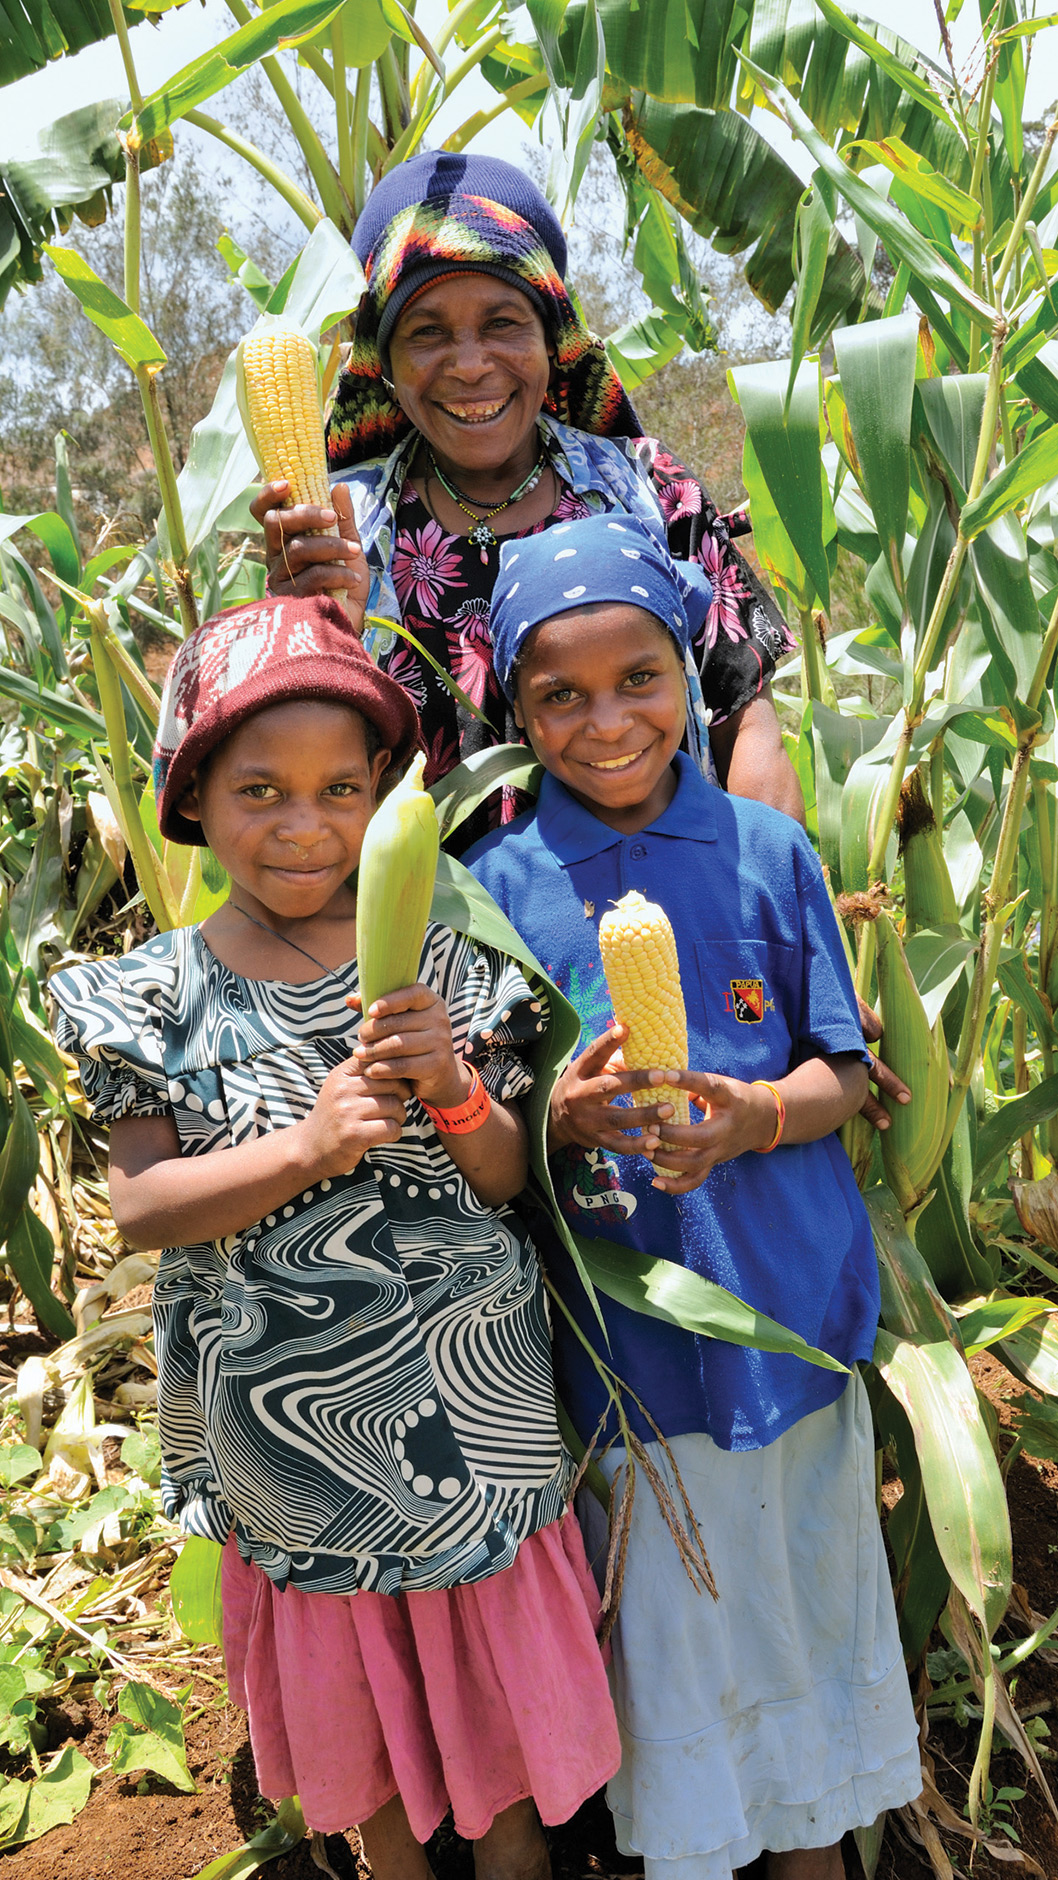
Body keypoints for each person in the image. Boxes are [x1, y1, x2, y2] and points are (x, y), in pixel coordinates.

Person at [49, 594, 621, 1880]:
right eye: (259, 790)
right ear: (191, 796)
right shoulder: (149, 995)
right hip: (291, 1441)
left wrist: (457, 1087)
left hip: (469, 1423)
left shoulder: (446, 967)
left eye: (337, 790)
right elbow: (139, 1206)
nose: (302, 826)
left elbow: (497, 1179)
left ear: (380, 799)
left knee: (507, 1765)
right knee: (358, 1748)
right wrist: (307, 1147)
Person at [464, 516, 922, 1880]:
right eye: (559, 695)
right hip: (634, 1366)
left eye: (640, 679)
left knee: (802, 1613)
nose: (606, 722)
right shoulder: (493, 895)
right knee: (679, 1647)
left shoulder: (766, 855)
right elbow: (488, 1136)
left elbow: (840, 1072)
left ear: (689, 674)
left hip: (782, 1322)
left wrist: (754, 1117)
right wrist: (563, 1115)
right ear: (511, 705)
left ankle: (816, 1854)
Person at [249, 151, 804, 831]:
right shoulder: (339, 531)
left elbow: (744, 722)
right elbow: (295, 783)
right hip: (426, 930)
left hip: (663, 916)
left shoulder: (646, 489)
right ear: (384, 366)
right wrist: (312, 634)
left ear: (554, 341)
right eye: (426, 333)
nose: (471, 365)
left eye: (503, 323)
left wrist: (776, 910)